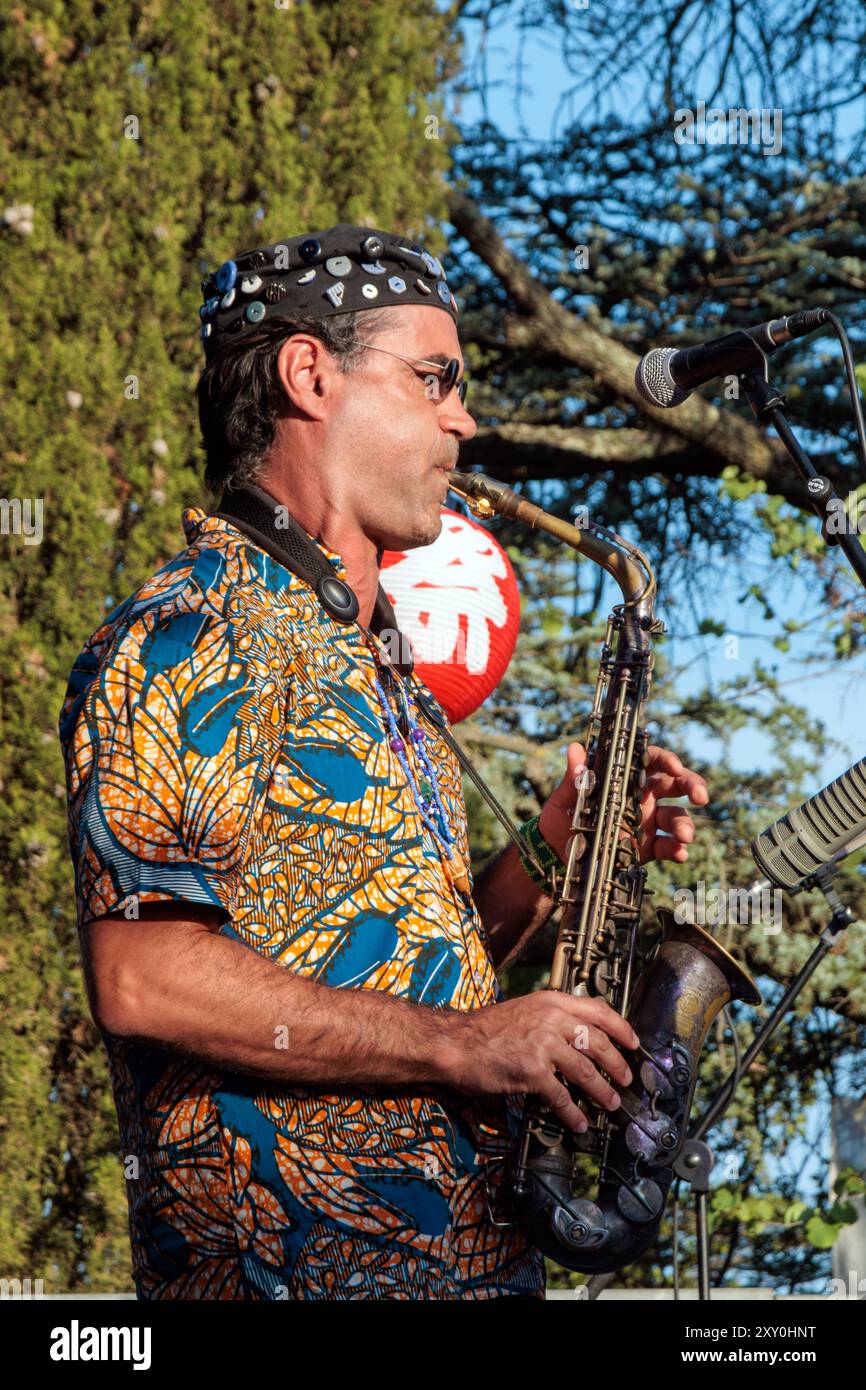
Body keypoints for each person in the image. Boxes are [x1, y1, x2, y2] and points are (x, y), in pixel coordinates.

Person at [59, 223, 707, 1300]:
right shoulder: (185, 631)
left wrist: (565, 840)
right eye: (433, 378)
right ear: (308, 372)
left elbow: (429, 969)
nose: (461, 417)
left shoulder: (380, 671)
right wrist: (463, 1048)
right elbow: (142, 975)